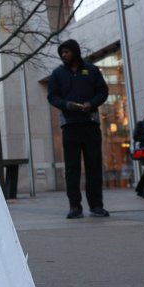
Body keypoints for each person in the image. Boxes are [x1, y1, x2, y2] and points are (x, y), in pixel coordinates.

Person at [47, 39, 110, 219]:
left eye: (66, 52)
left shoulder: (92, 70)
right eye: (62, 53)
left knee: (94, 166)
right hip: (70, 126)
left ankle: (96, 205)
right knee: (72, 168)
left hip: (90, 124)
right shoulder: (58, 74)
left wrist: (92, 103)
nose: (63, 55)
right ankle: (75, 206)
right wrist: (66, 104)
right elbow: (52, 96)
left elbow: (103, 91)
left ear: (75, 52)